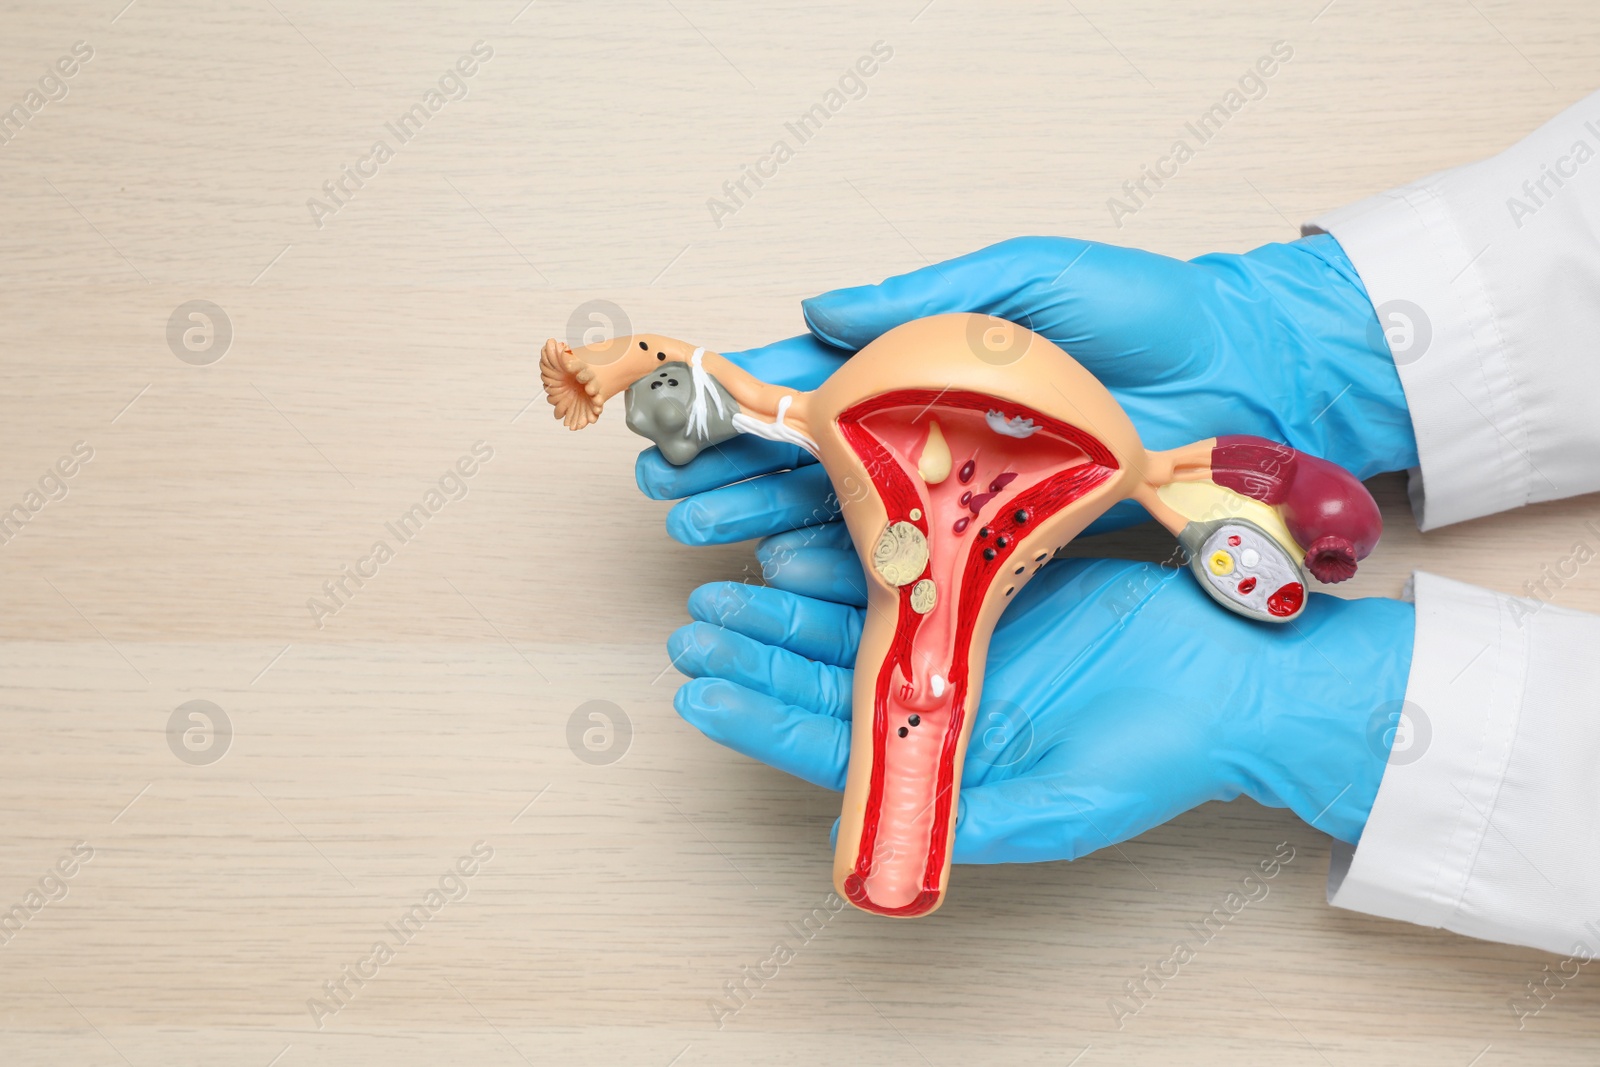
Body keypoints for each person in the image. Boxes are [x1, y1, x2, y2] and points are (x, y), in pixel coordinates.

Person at [632, 90, 1600, 957]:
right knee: (928, 637)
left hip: (1065, 455)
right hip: (1029, 450)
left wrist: (1349, 712)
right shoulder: (855, 419)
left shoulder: (1092, 459)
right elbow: (762, 403)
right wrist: (1335, 337)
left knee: (926, 642)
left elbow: (764, 403)